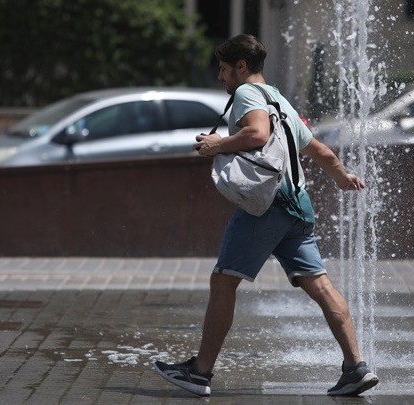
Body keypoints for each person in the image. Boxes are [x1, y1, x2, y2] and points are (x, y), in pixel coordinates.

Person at [153, 34, 378, 397]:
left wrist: (216, 145)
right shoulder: (280, 99)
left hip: (266, 206)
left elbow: (257, 135)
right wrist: (342, 177)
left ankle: (199, 372)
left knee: (224, 280)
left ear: (241, 67)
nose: (221, 77)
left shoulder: (247, 94)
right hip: (298, 204)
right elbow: (318, 149)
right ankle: (355, 367)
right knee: (320, 285)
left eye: (224, 70)